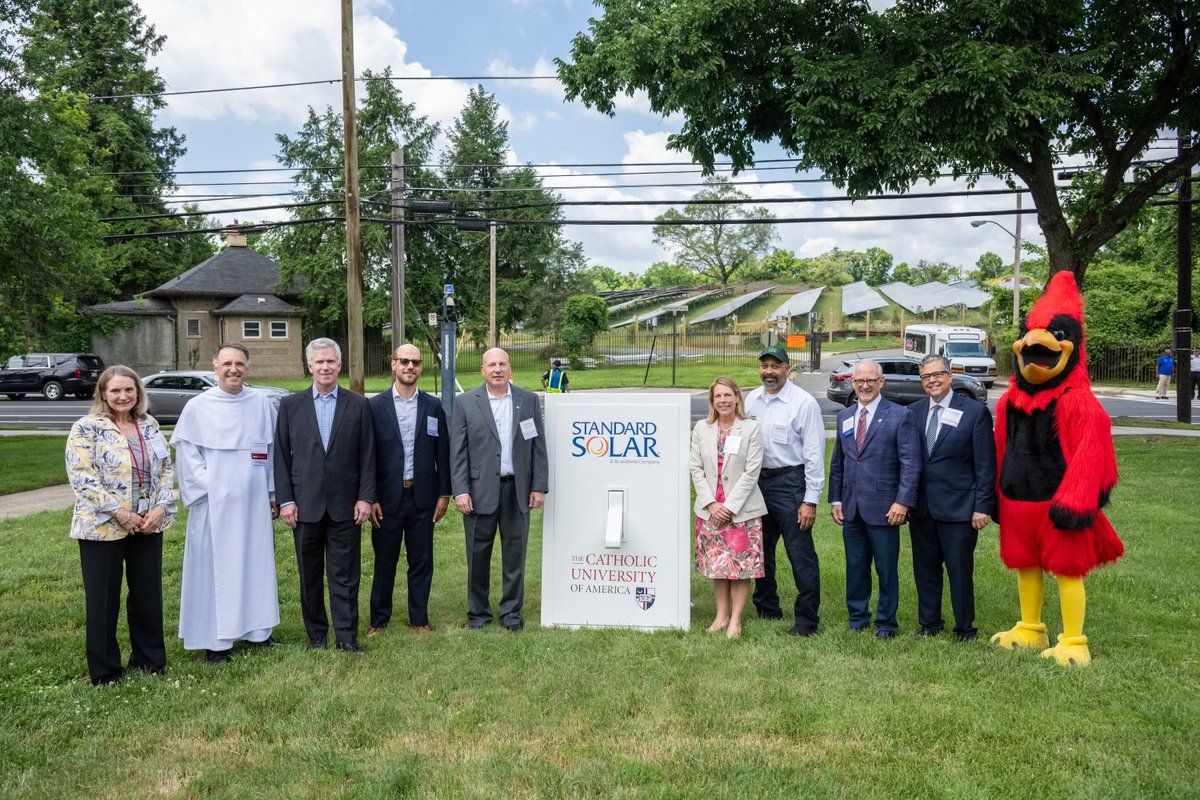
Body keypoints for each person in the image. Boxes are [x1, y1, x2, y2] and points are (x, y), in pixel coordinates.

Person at [66, 365, 176, 685]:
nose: (123, 396)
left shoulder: (149, 424)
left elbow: (166, 469)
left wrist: (159, 508)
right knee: (103, 599)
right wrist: (120, 513)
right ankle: (106, 671)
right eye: (115, 390)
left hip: (148, 523)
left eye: (129, 389)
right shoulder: (87, 428)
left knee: (147, 595)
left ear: (138, 393)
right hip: (102, 527)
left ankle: (149, 661)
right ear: (103, 394)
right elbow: (83, 478)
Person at [172, 343, 280, 664]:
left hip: (254, 505)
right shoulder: (197, 407)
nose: (234, 369)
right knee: (213, 574)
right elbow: (189, 462)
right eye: (227, 364)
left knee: (256, 567)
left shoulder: (261, 403)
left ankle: (258, 632)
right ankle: (216, 643)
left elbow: (270, 455)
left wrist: (272, 495)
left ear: (248, 367)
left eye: (240, 364)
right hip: (213, 507)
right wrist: (220, 489)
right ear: (215, 366)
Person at [275, 338, 376, 653]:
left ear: (340, 365)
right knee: (310, 575)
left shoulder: (359, 405)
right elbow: (281, 456)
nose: (325, 367)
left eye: (331, 361)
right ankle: (316, 636)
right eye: (319, 362)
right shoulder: (290, 406)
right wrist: (286, 500)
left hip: (346, 505)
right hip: (304, 506)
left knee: (345, 575)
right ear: (309, 367)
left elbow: (368, 456)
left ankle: (346, 637)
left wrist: (365, 497)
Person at [451, 347, 549, 631]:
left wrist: (538, 486)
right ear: (482, 370)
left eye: (502, 364)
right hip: (479, 492)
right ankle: (478, 614)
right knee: (477, 555)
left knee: (515, 555)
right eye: (491, 364)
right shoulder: (466, 402)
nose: (497, 369)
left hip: (516, 490)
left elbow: (538, 446)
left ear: (510, 369)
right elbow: (457, 452)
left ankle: (511, 613)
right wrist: (461, 490)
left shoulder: (527, 400)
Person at [828, 359, 921, 639]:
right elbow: (838, 462)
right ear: (853, 384)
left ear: (881, 382)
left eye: (870, 381)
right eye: (859, 382)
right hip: (851, 507)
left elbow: (910, 463)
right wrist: (836, 500)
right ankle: (857, 618)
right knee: (855, 567)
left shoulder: (900, 415)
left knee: (886, 569)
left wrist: (902, 502)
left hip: (885, 508)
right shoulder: (845, 417)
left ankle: (885, 623)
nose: (865, 386)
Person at [908, 355, 996, 642]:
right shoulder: (914, 412)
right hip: (922, 509)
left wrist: (982, 506)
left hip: (960, 509)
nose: (931, 380)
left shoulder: (973, 412)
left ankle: (965, 629)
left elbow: (985, 465)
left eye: (937, 374)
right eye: (925, 377)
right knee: (925, 570)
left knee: (959, 572)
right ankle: (930, 624)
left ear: (949, 376)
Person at [367, 343, 450, 636]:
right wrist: (371, 497)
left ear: (420, 368)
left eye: (415, 362)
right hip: (387, 499)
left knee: (421, 562)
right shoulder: (375, 406)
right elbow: (368, 456)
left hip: (422, 497)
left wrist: (444, 493)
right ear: (393, 365)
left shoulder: (433, 406)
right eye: (404, 361)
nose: (410, 367)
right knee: (384, 561)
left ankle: (419, 618)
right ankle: (378, 620)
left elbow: (443, 452)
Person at [743, 345, 825, 636]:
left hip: (790, 483)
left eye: (775, 366)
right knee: (761, 550)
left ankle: (806, 620)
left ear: (787, 369)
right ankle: (766, 608)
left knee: (800, 555)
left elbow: (814, 455)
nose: (769, 372)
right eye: (764, 365)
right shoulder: (751, 400)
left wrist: (810, 501)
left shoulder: (803, 403)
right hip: (757, 484)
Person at [689, 377, 768, 639]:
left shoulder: (750, 428)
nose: (723, 400)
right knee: (718, 566)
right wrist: (711, 504)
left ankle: (736, 620)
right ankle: (721, 616)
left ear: (737, 398)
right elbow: (696, 468)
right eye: (717, 396)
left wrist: (729, 507)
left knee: (740, 567)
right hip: (709, 510)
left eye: (727, 395)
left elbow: (751, 471)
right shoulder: (702, 428)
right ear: (712, 401)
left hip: (741, 511)